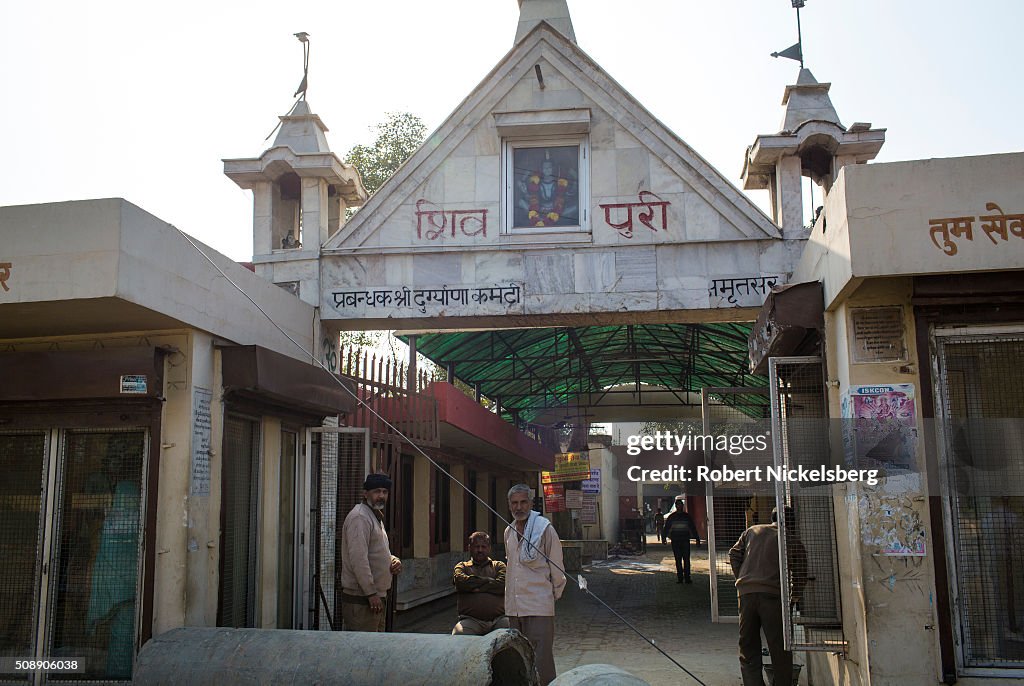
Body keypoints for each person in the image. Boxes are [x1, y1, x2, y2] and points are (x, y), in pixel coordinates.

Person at [729, 506, 807, 686]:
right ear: (791, 522)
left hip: (746, 594)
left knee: (747, 645)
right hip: (773, 596)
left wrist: (742, 577)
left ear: (771, 517)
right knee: (780, 646)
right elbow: (800, 572)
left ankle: (753, 683)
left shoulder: (752, 531)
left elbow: (733, 554)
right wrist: (794, 596)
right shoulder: (791, 540)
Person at [505, 483, 566, 685]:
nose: (518, 507)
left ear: (531, 503)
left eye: (523, 502)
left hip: (539, 604)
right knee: (517, 658)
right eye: (514, 503)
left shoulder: (545, 529)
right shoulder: (509, 532)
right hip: (514, 608)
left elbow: (557, 567)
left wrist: (552, 595)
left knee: (541, 660)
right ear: (509, 505)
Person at [340, 473, 402, 632]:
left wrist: (392, 560)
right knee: (361, 653)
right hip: (363, 601)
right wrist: (371, 593)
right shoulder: (360, 517)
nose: (381, 496)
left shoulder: (374, 516)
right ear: (365, 493)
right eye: (376, 491)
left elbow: (374, 551)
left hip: (374, 599)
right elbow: (358, 560)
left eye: (385, 492)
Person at [452, 531, 510, 635]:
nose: (480, 550)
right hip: (470, 620)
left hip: (499, 620)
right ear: (469, 548)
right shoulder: (462, 566)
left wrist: (474, 586)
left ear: (489, 548)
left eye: (483, 547)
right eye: (476, 546)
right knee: (459, 635)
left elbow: (502, 585)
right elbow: (461, 583)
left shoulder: (499, 566)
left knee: (511, 633)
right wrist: (489, 581)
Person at [664, 496, 700, 583]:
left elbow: (693, 528)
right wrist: (663, 538)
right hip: (676, 540)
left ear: (682, 506)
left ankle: (687, 577)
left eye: (680, 505)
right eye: (678, 505)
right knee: (678, 559)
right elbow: (666, 528)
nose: (679, 506)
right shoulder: (673, 517)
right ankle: (680, 577)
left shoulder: (686, 516)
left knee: (686, 559)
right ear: (676, 506)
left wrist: (697, 539)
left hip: (684, 540)